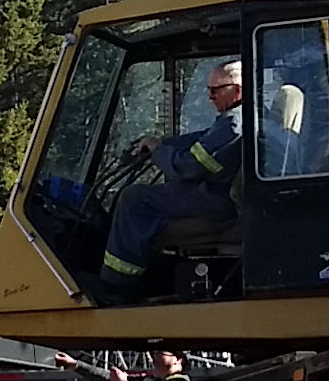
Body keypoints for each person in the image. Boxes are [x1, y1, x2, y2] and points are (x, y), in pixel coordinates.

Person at [97, 60, 244, 301]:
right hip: (218, 192)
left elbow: (187, 167)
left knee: (134, 199)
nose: (210, 97)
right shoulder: (236, 118)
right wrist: (162, 143)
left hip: (217, 199)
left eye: (215, 90)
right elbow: (202, 139)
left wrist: (157, 151)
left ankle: (115, 287)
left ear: (236, 90)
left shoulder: (234, 124)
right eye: (208, 90)